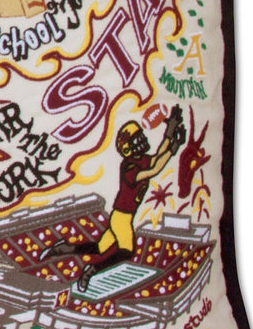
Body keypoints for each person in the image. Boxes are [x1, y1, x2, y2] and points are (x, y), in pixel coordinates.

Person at [43, 106, 186, 292]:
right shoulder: (129, 168)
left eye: (140, 137)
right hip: (122, 217)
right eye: (137, 139)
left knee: (101, 247)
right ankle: (91, 270)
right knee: (126, 251)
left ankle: (64, 248)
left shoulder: (140, 159)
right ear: (127, 148)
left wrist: (169, 132)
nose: (142, 141)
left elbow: (158, 156)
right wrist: (174, 147)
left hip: (120, 215)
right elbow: (155, 169)